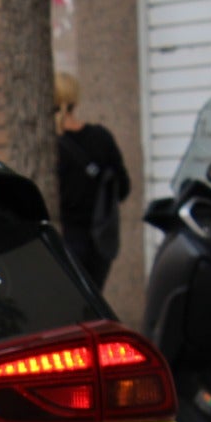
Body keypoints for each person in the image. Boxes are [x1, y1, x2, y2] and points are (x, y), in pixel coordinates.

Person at [55, 72, 130, 290]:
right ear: (75, 100)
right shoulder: (101, 137)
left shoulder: (50, 144)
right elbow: (123, 188)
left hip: (65, 239)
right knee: (92, 306)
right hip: (101, 242)